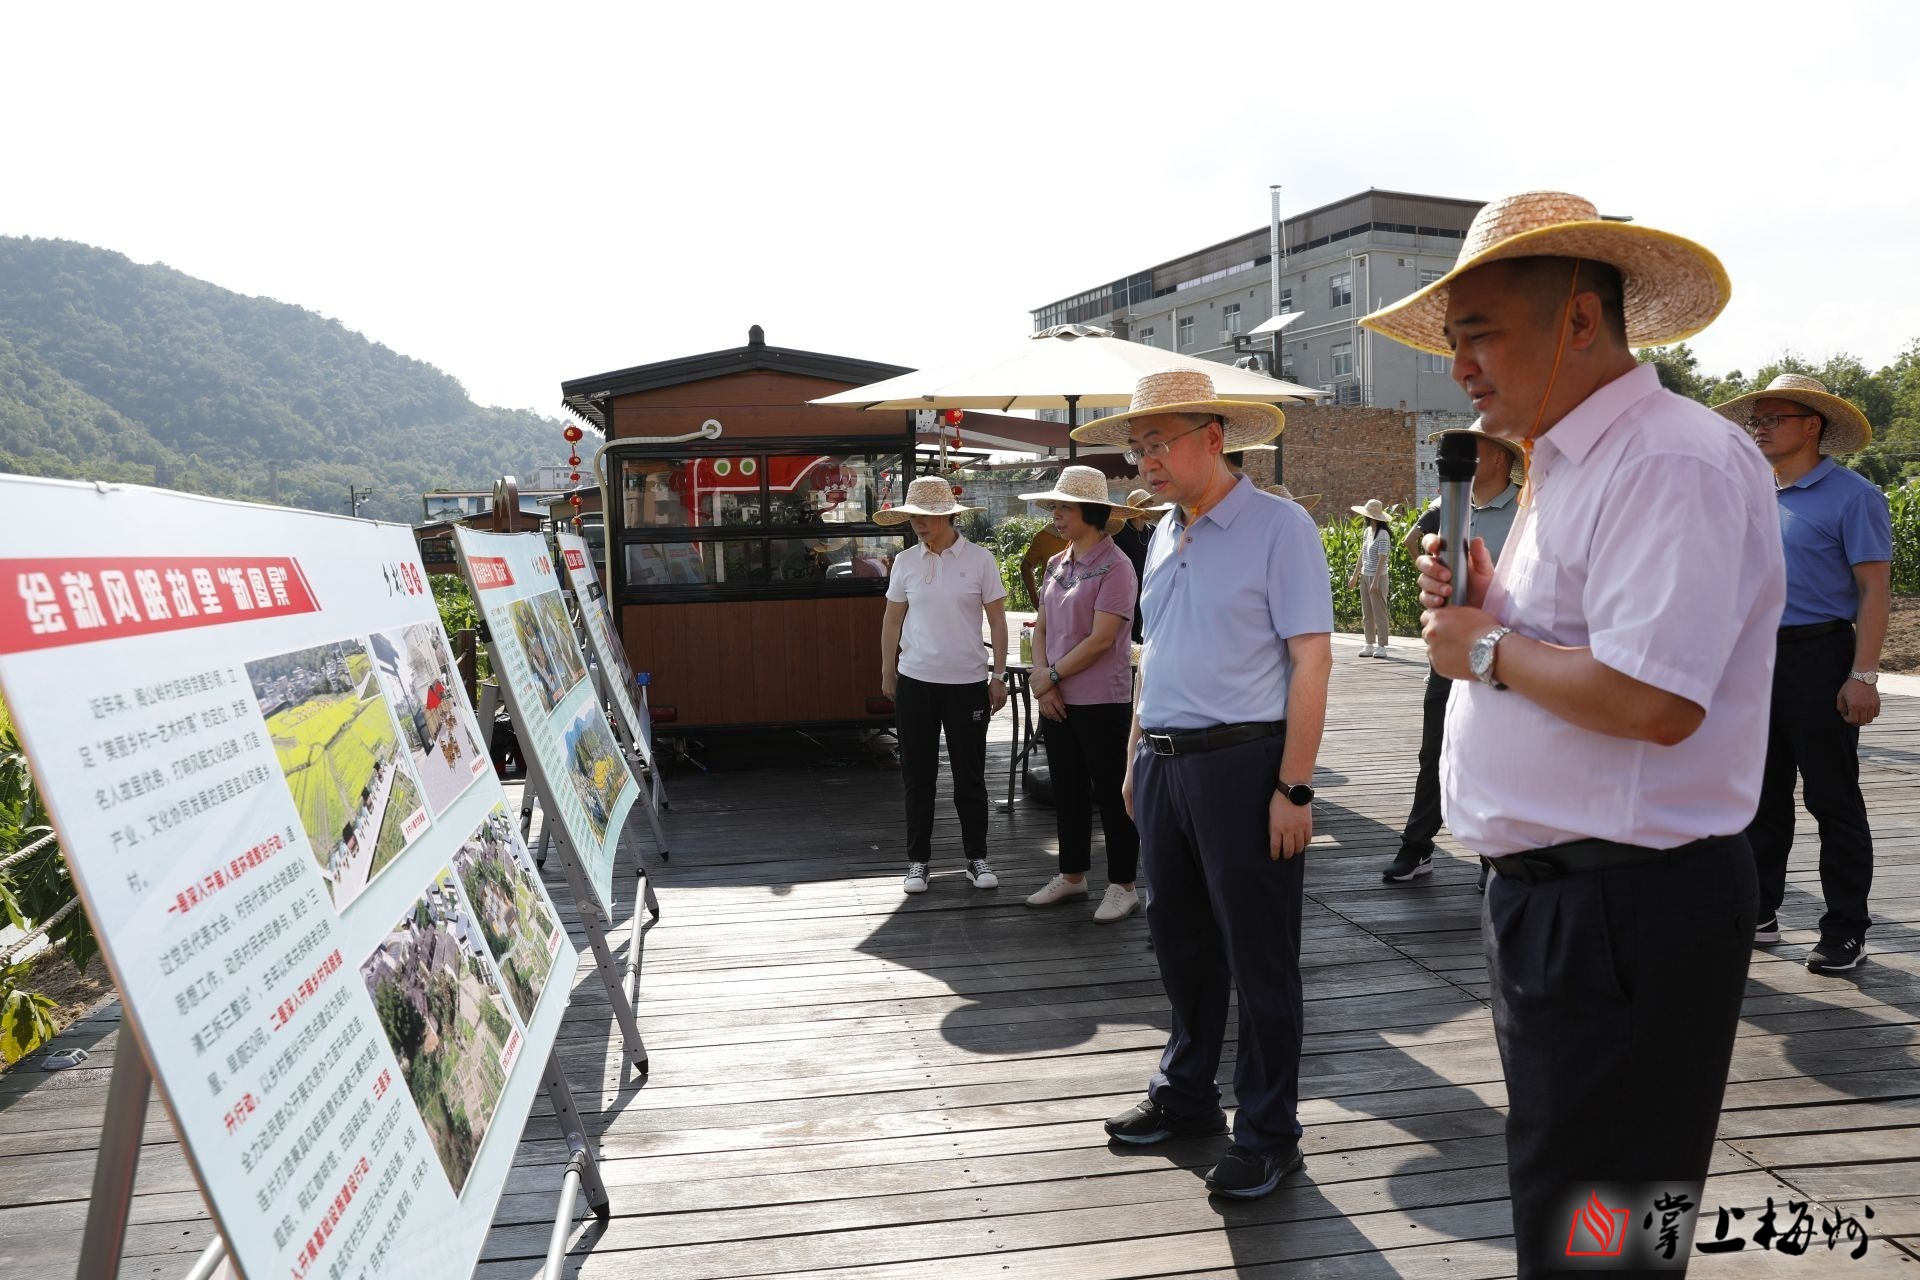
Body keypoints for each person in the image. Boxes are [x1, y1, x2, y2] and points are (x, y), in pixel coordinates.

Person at [1367, 190, 1784, 1275]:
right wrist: (1491, 610)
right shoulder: (1575, 461)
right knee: (1581, 1207)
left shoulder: (1669, 459)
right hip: (1571, 902)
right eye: (1453, 342)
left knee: (1608, 1229)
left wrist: (1486, 648)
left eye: (1479, 334)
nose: (1461, 367)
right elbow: (1584, 650)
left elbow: (1655, 701)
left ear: (1581, 320)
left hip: (1626, 909)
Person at [1072, 368, 1333, 1201]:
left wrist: (1295, 788)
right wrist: (1134, 755)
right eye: (1136, 447)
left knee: (1260, 958)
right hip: (1163, 765)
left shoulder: (1279, 527)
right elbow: (1155, 653)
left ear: (1213, 438)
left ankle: (1269, 1133)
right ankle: (1187, 1096)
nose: (1143, 460)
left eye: (1158, 443)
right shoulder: (1161, 534)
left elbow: (1312, 659)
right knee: (1180, 944)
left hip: (1244, 765)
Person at [1716, 374, 1891, 972]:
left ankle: (1845, 928)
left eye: (1773, 419)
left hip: (1819, 656)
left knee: (1831, 798)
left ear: (1811, 425)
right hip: (1754, 660)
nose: (1759, 429)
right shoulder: (1750, 492)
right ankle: (1760, 911)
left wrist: (1863, 675)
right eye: (1755, 420)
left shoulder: (1853, 496)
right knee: (1760, 795)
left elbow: (1874, 591)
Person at [1381, 424, 1524, 886]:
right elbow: (1417, 549)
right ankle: (1417, 845)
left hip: (1504, 654)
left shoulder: (1527, 512)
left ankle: (1491, 859)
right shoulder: (1449, 507)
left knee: (1495, 754)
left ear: (1500, 458)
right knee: (1434, 752)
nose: (1454, 451)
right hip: (1448, 655)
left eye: (1471, 445)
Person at [1018, 465, 1147, 923]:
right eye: (1054, 506)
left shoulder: (1118, 567)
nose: (1055, 514)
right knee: (1067, 788)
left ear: (1090, 512)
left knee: (1112, 793)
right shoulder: (1057, 563)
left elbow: (1101, 640)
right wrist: (1043, 678)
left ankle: (1123, 885)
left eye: (1064, 507)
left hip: (1101, 698)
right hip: (1057, 696)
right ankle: (1072, 874)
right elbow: (1042, 626)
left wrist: (1049, 675)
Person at [877, 477, 1010, 895]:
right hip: (915, 680)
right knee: (918, 775)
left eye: (927, 516)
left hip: (967, 682)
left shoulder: (980, 559)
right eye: (914, 516)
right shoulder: (905, 562)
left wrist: (998, 675)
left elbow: (998, 620)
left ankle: (976, 857)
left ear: (949, 516)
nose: (919, 523)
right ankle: (918, 861)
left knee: (970, 775)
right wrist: (888, 670)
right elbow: (892, 620)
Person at [1112, 487, 1166, 643]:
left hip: (1148, 586)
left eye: (1151, 503)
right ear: (1137, 508)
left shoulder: (1154, 531)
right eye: (1147, 504)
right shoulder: (1120, 533)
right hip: (1126, 587)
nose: (1151, 507)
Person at [1347, 498, 1394, 657]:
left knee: (1379, 613)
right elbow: (1362, 554)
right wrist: (1355, 575)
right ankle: (1369, 643)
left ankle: (1381, 645)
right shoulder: (1368, 531)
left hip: (1378, 577)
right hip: (1365, 575)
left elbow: (1383, 557)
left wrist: (1375, 581)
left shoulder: (1383, 534)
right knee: (1367, 613)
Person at [1018, 523, 1068, 612]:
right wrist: (1036, 601)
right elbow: (1026, 566)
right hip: (1053, 605)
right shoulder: (1044, 537)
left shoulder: (1089, 536)